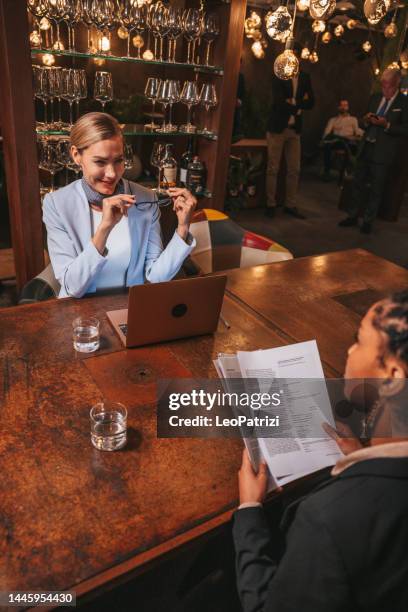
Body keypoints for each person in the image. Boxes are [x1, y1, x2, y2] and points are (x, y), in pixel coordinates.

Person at [233, 289, 408, 612]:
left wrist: (249, 512)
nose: (350, 350)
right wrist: (358, 455)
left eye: (359, 341)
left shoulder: (327, 518)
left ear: (393, 376)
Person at [43, 112, 196, 298]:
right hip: (79, 313)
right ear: (76, 155)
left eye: (118, 161)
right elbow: (73, 286)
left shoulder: (146, 198)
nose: (112, 174)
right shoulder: (57, 204)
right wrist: (104, 228)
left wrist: (182, 227)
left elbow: (157, 277)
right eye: (100, 161)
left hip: (130, 309)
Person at [339, 68, 408, 234]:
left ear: (396, 84)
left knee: (377, 188)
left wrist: (387, 125)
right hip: (366, 147)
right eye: (383, 85)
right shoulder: (375, 97)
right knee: (357, 183)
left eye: (388, 86)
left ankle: (368, 221)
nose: (385, 90)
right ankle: (352, 215)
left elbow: (405, 128)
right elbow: (363, 123)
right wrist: (366, 120)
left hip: (383, 152)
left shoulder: (403, 102)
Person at [265, 42, 314, 219]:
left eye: (295, 57)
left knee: (294, 169)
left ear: (299, 58)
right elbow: (278, 102)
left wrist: (293, 103)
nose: (292, 60)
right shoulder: (279, 75)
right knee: (273, 168)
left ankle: (290, 205)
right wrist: (298, 106)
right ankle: (270, 204)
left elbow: (312, 102)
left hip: (295, 130)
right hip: (277, 128)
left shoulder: (305, 77)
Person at [321, 99, 362, 181]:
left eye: (345, 105)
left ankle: (351, 172)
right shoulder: (333, 120)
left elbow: (358, 132)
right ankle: (327, 171)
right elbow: (326, 134)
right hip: (336, 142)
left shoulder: (353, 119)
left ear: (348, 107)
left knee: (354, 146)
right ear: (338, 107)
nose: (343, 107)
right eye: (342, 105)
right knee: (327, 145)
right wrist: (327, 138)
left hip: (349, 142)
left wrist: (359, 135)